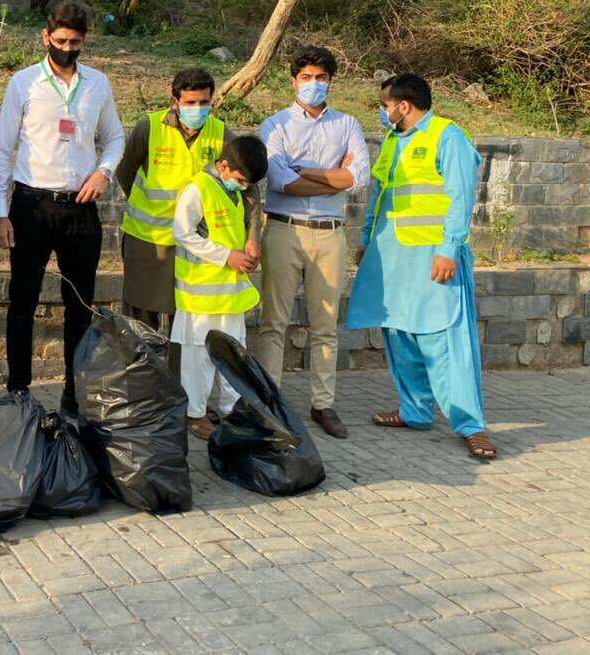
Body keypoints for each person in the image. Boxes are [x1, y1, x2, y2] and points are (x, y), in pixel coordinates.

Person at [346, 74, 495, 460]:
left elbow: (460, 198)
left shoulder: (448, 137)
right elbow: (381, 196)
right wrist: (366, 241)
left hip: (434, 257)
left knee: (445, 339)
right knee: (399, 333)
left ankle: (470, 426)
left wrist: (448, 249)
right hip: (392, 257)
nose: (382, 112)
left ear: (404, 106)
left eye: (385, 105)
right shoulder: (394, 141)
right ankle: (415, 411)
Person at [0, 2, 125, 414]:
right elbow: (1, 147)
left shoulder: (98, 84)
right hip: (31, 206)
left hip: (80, 209)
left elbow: (115, 136)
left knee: (80, 306)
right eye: (61, 41)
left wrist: (103, 173)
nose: (68, 48)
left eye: (76, 42)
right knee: (22, 302)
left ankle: (73, 394)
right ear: (46, 37)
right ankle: (18, 390)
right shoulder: (24, 83)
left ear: (85, 41)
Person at [254, 46, 370, 439]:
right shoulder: (276, 124)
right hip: (285, 230)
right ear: (293, 80)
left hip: (330, 233)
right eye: (306, 77)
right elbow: (279, 180)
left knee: (325, 325)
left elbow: (358, 179)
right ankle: (273, 403)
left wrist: (307, 170)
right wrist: (331, 175)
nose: (314, 84)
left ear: (331, 81)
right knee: (274, 323)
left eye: (321, 77)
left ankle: (324, 404)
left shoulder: (348, 124)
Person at [116, 67, 261, 375]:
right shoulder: (149, 127)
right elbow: (125, 173)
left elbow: (248, 184)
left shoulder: (220, 133)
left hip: (196, 249)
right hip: (148, 241)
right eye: (191, 102)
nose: (198, 109)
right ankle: (144, 395)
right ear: (175, 101)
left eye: (204, 103)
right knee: (142, 323)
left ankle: (183, 397)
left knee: (187, 325)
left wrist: (253, 237)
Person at [171, 135, 268, 440]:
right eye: (239, 179)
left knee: (233, 354)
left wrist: (251, 243)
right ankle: (195, 414)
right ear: (224, 166)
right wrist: (228, 257)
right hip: (200, 294)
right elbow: (183, 234)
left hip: (229, 293)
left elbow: (250, 211)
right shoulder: (197, 189)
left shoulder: (237, 190)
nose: (242, 186)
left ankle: (231, 409)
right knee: (197, 360)